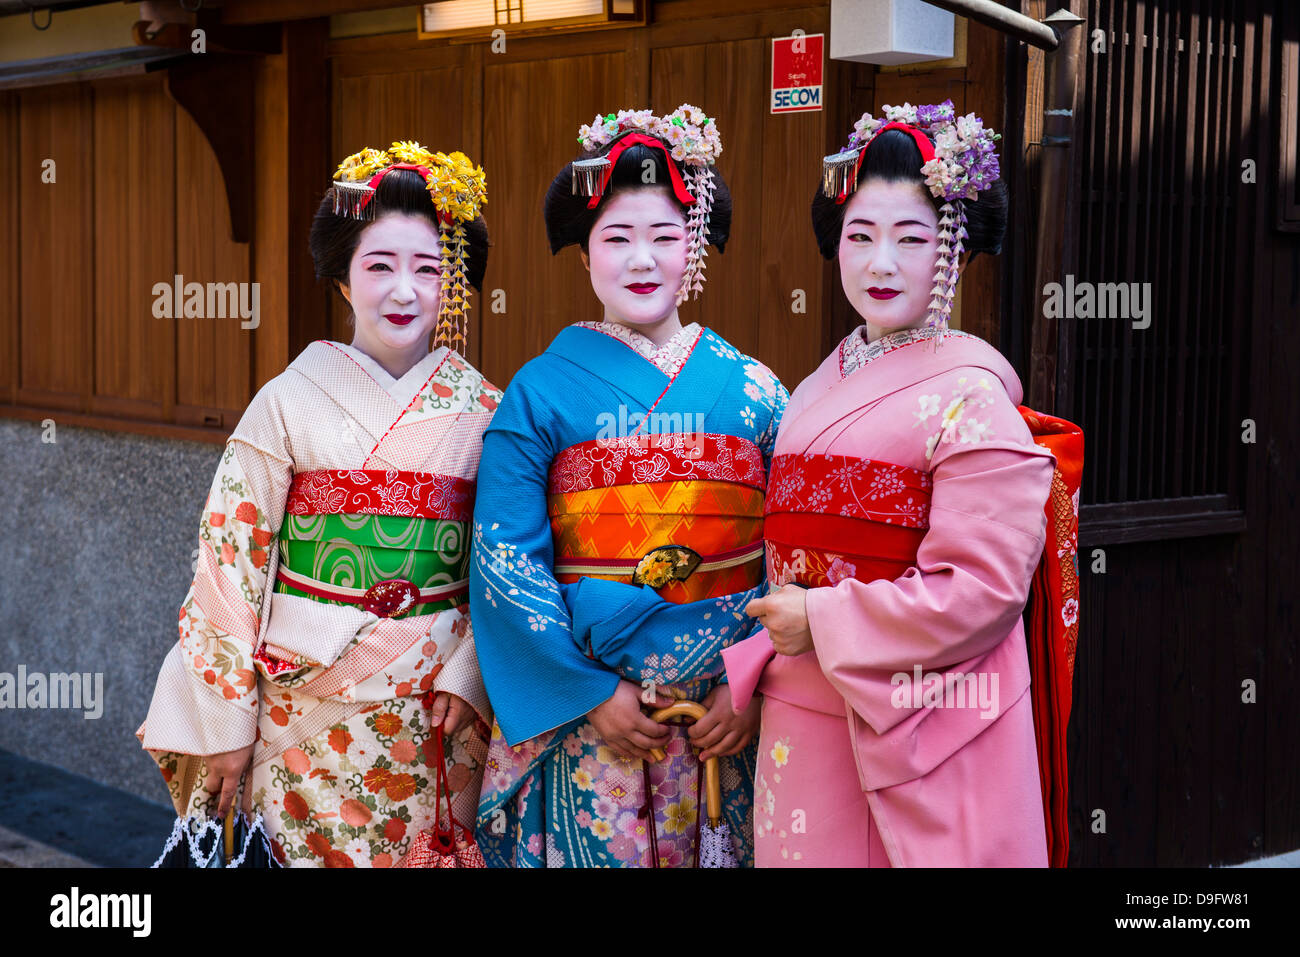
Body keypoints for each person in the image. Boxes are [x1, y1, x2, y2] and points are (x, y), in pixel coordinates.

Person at [726, 101, 1082, 867]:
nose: (880, 263)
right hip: (803, 704)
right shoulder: (820, 382)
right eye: (860, 236)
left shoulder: (972, 396)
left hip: (921, 714)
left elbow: (980, 590)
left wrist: (822, 618)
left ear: (950, 248)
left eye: (911, 238)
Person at [138, 141, 501, 867]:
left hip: (437, 711)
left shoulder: (486, 409)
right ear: (341, 278)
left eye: (428, 269)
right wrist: (228, 719)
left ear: (452, 284)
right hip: (303, 709)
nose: (405, 290)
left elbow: (510, 559)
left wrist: (475, 672)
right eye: (379, 266)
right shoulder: (288, 401)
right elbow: (229, 564)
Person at [472, 106, 788, 867]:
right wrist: (586, 691)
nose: (642, 259)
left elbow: (791, 552)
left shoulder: (757, 392)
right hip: (592, 717)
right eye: (617, 238)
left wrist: (749, 681)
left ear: (696, 249)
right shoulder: (539, 392)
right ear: (584, 256)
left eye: (666, 237)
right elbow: (504, 556)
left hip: (724, 714)